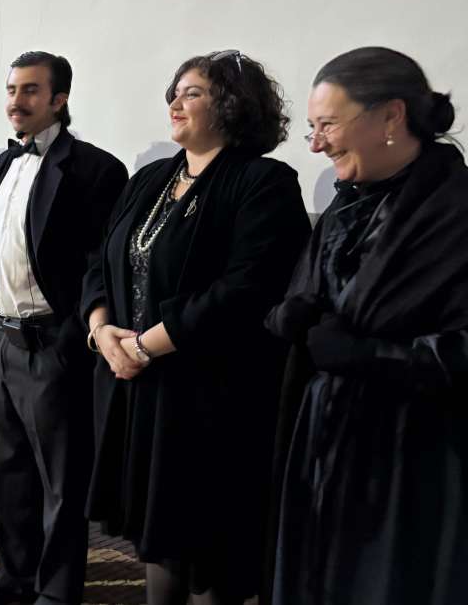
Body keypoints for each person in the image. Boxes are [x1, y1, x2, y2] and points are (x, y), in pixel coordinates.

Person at [81, 50, 311, 605]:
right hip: (142, 387)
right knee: (159, 543)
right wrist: (101, 330)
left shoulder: (264, 182)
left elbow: (244, 290)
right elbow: (101, 261)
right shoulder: (152, 178)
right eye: (175, 92)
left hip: (212, 395)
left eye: (193, 93)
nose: (175, 103)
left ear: (232, 105)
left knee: (209, 549)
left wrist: (144, 344)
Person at [267, 47, 468, 605]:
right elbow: (313, 295)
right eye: (312, 127)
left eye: (328, 124)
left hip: (412, 463)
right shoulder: (347, 203)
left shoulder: (455, 212)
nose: (315, 143)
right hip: (327, 446)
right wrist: (292, 313)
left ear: (391, 117)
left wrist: (367, 355)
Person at [0, 52, 128, 605]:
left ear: (59, 99)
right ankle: (16, 577)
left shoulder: (96, 169)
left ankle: (58, 593)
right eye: (12, 89)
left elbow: (95, 264)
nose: (16, 101)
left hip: (50, 344)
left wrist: (69, 337)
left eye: (31, 90)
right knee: (7, 471)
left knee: (61, 480)